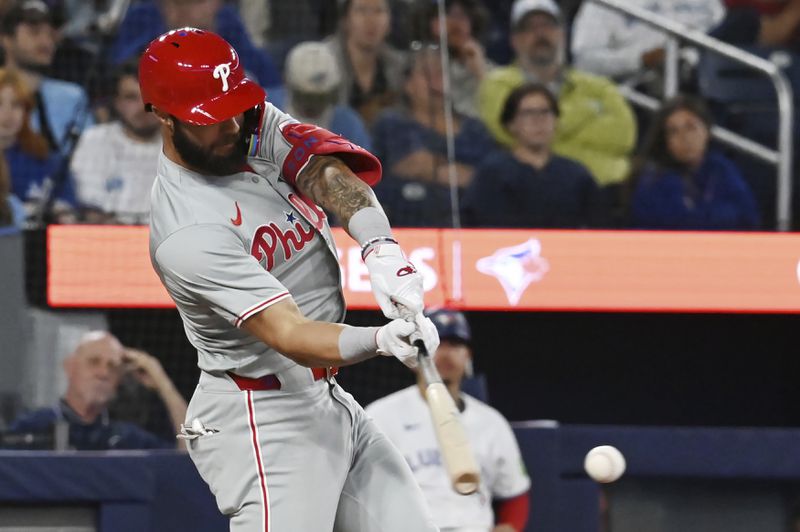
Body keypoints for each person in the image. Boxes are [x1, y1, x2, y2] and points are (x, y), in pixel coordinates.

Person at [140, 28, 440, 531]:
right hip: (260, 417)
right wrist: (382, 340)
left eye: (233, 105)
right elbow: (291, 335)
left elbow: (322, 171)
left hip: (324, 396)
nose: (231, 124)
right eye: (211, 119)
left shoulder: (244, 124)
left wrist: (379, 245)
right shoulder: (187, 230)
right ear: (165, 118)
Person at [366, 309, 531, 532]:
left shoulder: (492, 423)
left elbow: (514, 496)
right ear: (415, 354)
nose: (445, 354)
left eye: (455, 344)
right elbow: (358, 490)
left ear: (468, 355)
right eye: (436, 344)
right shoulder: (381, 415)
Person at [477, 0, 637, 187]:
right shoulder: (498, 83)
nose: (540, 34)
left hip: (609, 191)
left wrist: (552, 136)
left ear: (562, 34)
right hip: (540, 192)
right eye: (529, 28)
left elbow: (625, 136)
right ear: (515, 40)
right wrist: (588, 111)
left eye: (547, 25)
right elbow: (506, 133)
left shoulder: (598, 86)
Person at [372, 44, 496, 227]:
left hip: (471, 226)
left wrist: (439, 169)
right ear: (408, 84)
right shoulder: (393, 122)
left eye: (442, 74)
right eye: (427, 74)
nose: (436, 82)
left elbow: (491, 179)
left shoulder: (475, 129)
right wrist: (466, 175)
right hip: (408, 223)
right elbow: (414, 164)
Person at [8, 331, 187, 450]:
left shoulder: (127, 439)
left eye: (113, 367)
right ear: (70, 367)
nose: (103, 373)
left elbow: (193, 455)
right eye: (94, 362)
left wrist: (163, 382)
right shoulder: (32, 427)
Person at [464, 83, 602, 228]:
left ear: (556, 121)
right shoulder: (493, 173)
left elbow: (598, 227)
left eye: (545, 112)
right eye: (527, 113)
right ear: (511, 124)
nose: (538, 121)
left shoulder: (577, 175)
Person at [629, 95, 759, 230]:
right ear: (665, 140)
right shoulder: (652, 179)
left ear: (706, 130)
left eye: (691, 127)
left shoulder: (721, 168)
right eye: (673, 131)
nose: (684, 138)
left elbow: (748, 216)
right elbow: (680, 224)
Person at [110, 0, 282, 90]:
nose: (213, 6)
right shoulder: (142, 18)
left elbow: (265, 75)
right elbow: (120, 71)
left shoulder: (227, 20)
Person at [70, 60, 161, 224]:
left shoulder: (186, 146)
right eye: (131, 98)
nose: (143, 107)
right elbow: (91, 208)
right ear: (117, 103)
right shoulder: (95, 141)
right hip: (107, 241)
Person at [1, 0, 92, 155]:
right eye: (34, 32)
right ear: (6, 40)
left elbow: (89, 155)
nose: (46, 41)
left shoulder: (73, 96)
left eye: (51, 34)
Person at [571, 0, 725, 87]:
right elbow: (584, 60)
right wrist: (641, 59)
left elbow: (727, 29)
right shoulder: (602, 4)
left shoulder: (709, 3)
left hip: (703, 82)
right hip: (638, 89)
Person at [0, 67, 76, 224]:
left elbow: (68, 208)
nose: (8, 114)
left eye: (16, 105)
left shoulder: (47, 159)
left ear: (26, 112)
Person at [278, 41, 372, 151]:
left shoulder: (349, 125)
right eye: (307, 98)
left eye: (321, 98)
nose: (314, 106)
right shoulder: (264, 112)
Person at [324, 0, 406, 126]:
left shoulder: (399, 65)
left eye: (379, 11)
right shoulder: (325, 59)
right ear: (346, 20)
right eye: (361, 10)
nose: (371, 20)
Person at [421, 0, 493, 118]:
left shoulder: (491, 73)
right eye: (446, 16)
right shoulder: (421, 67)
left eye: (462, 16)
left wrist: (480, 73)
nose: (454, 23)